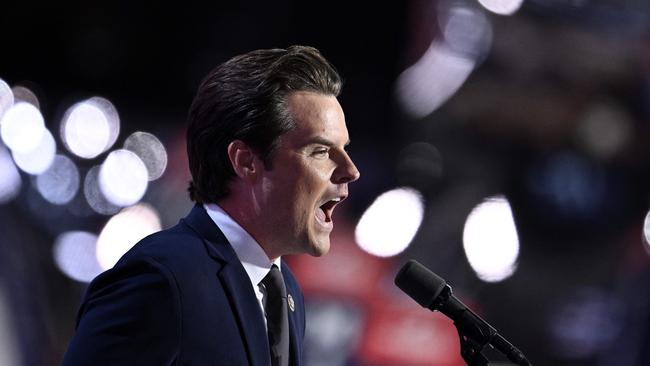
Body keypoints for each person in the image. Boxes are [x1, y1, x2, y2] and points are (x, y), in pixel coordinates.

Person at [61, 45, 360, 365]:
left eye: (344, 148)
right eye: (320, 151)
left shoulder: (288, 292)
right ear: (246, 162)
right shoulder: (161, 279)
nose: (351, 171)